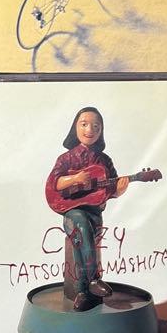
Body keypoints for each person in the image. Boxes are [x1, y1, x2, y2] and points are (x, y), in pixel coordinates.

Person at [45, 107, 129, 311]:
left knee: (85, 230)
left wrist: (119, 190)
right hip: (71, 212)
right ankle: (91, 282)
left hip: (94, 213)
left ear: (101, 131)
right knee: (81, 224)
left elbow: (108, 190)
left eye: (96, 126)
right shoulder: (66, 159)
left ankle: (84, 291)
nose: (90, 130)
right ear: (75, 127)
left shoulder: (104, 161)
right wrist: (74, 178)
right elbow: (55, 183)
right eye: (84, 124)